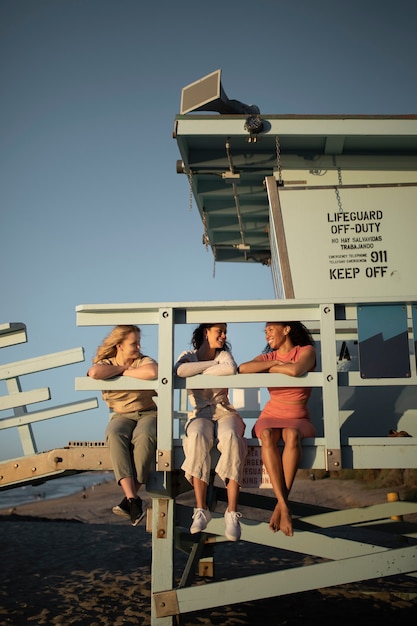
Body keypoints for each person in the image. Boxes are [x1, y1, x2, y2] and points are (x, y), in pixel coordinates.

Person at [238, 321, 316, 537]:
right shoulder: (269, 357)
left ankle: (280, 506)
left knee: (291, 434)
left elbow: (297, 369)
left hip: (298, 416)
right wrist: (275, 365)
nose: (267, 336)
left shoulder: (306, 351)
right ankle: (284, 504)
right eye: (265, 332)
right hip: (271, 415)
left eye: (270, 330)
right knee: (265, 435)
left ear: (287, 329)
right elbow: (244, 368)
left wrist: (274, 368)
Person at [175, 323, 247, 541]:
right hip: (199, 413)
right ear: (206, 332)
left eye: (225, 332)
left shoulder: (224, 355)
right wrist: (212, 364)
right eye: (220, 331)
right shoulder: (188, 354)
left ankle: (232, 512)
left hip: (225, 411)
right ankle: (201, 508)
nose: (224, 336)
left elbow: (230, 369)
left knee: (232, 437)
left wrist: (199, 369)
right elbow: (180, 371)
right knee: (196, 436)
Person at [88, 325, 158, 527]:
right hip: (121, 416)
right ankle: (133, 499)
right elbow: (94, 372)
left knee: (144, 436)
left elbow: (153, 371)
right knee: (114, 433)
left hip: (148, 412)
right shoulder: (107, 363)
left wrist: (125, 371)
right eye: (133, 343)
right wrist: (123, 369)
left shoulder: (142, 360)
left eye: (138, 342)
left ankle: (130, 501)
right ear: (119, 346)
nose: (138, 346)